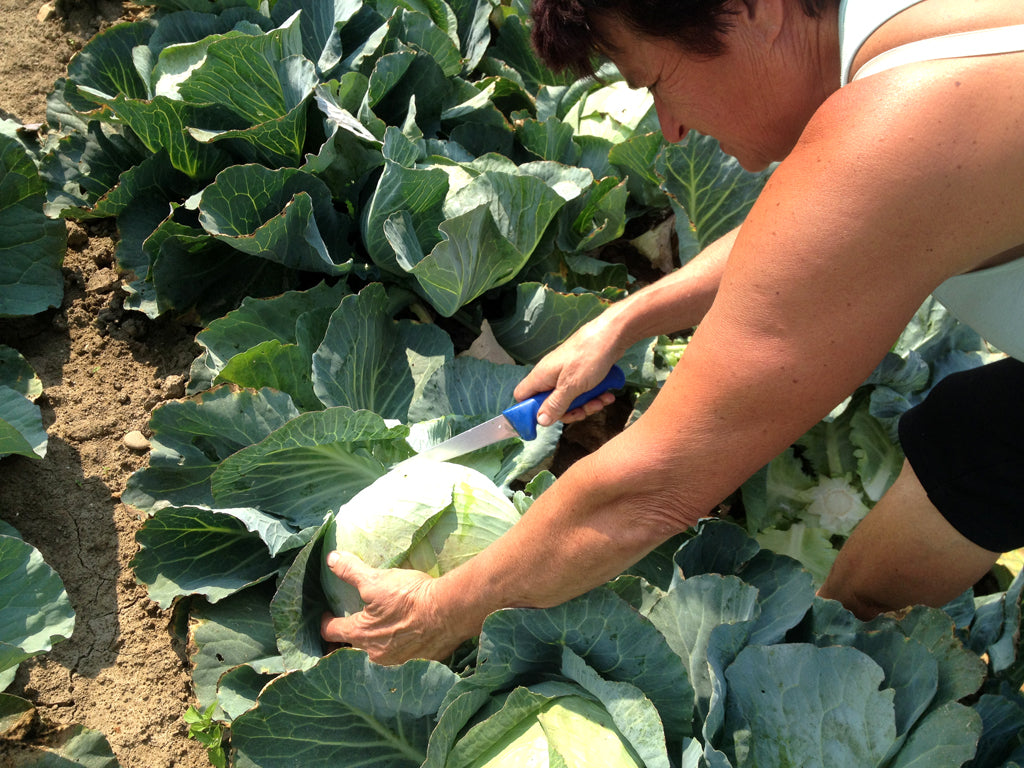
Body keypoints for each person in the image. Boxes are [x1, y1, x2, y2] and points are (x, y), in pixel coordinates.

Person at [322, 0, 1024, 664]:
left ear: (757, 9)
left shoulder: (902, 130)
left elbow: (654, 487)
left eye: (657, 83)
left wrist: (444, 610)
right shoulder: (911, 37)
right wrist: (627, 319)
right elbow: (817, 229)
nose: (671, 128)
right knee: (969, 444)